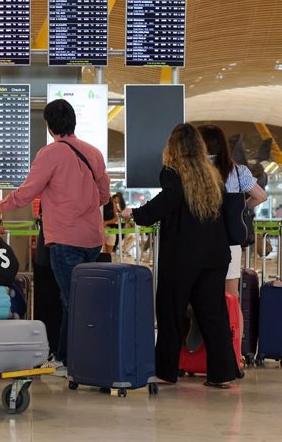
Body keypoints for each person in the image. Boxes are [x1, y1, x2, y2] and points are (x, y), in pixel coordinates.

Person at [0, 99, 110, 372]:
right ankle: (71, 356)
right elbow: (103, 196)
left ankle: (72, 360)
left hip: (65, 238)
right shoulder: (94, 153)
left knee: (71, 300)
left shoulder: (50, 154)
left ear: (50, 127)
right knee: (80, 299)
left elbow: (27, 192)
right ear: (74, 121)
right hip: (93, 238)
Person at [121, 123, 239, 388]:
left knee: (171, 312)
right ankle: (222, 375)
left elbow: (168, 200)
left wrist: (137, 214)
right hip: (215, 256)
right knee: (213, 314)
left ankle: (166, 371)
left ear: (173, 147)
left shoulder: (173, 172)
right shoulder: (212, 175)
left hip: (183, 256)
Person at [198, 124, 268, 360]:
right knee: (231, 297)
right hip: (230, 242)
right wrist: (242, 209)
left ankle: (200, 354)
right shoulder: (238, 172)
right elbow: (261, 196)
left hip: (202, 242)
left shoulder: (196, 169)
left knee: (200, 295)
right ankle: (235, 355)